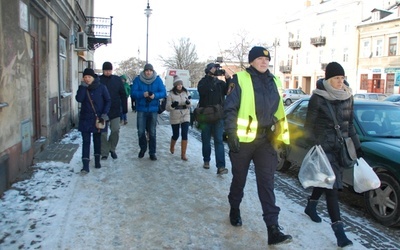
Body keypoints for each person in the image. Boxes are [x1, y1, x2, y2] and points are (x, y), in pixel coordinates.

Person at [224, 46, 292, 245]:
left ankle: (273, 229)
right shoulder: (240, 79)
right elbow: (230, 109)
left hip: (265, 140)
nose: (264, 62)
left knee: (267, 184)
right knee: (239, 179)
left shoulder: (275, 81)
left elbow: (279, 111)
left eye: (266, 59)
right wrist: (230, 133)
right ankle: (235, 208)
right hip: (243, 141)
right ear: (252, 61)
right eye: (260, 59)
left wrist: (281, 138)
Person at [302, 62, 363, 248]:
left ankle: (311, 205)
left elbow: (350, 125)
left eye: (342, 78)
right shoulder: (318, 98)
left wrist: (357, 146)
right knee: (333, 187)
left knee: (328, 181)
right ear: (328, 79)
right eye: (336, 78)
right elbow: (308, 127)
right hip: (324, 149)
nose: (340, 81)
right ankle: (339, 233)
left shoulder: (348, 96)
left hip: (341, 148)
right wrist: (314, 146)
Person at [75, 68, 111, 174]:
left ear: (93, 77)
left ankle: (97, 161)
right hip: (85, 119)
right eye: (85, 77)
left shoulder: (101, 87)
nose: (87, 79)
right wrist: (82, 87)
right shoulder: (82, 87)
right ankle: (85, 165)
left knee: (97, 140)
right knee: (86, 141)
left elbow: (108, 100)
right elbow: (79, 99)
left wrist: (104, 113)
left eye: (89, 77)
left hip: (98, 119)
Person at [197, 63, 230, 174]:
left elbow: (228, 91)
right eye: (214, 68)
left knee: (218, 140)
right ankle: (206, 160)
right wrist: (210, 77)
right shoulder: (202, 82)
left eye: (217, 69)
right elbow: (203, 91)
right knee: (206, 139)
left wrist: (228, 78)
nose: (217, 70)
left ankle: (220, 166)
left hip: (218, 115)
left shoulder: (220, 83)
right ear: (208, 70)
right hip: (205, 115)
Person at [131, 63, 166, 161]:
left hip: (153, 109)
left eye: (150, 70)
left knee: (152, 132)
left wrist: (154, 95)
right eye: (147, 70)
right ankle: (143, 148)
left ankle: (152, 152)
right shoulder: (138, 80)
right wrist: (143, 94)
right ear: (144, 71)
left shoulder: (158, 80)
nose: (148, 72)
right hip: (141, 109)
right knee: (141, 131)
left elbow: (163, 92)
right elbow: (133, 93)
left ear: (153, 71)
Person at [99, 62, 128, 160]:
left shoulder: (117, 80)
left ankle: (112, 148)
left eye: (109, 70)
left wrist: (124, 108)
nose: (108, 72)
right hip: (102, 111)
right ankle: (104, 152)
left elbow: (123, 94)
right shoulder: (99, 80)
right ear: (103, 70)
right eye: (106, 70)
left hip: (115, 110)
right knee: (103, 133)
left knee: (115, 130)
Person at [166, 75, 191, 161]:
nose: (180, 86)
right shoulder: (171, 94)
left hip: (185, 114)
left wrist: (188, 103)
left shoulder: (186, 92)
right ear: (175, 85)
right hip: (175, 115)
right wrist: (173, 105)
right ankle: (172, 146)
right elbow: (167, 108)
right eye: (178, 84)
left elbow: (190, 104)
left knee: (184, 133)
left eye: (181, 84)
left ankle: (183, 154)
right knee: (176, 134)